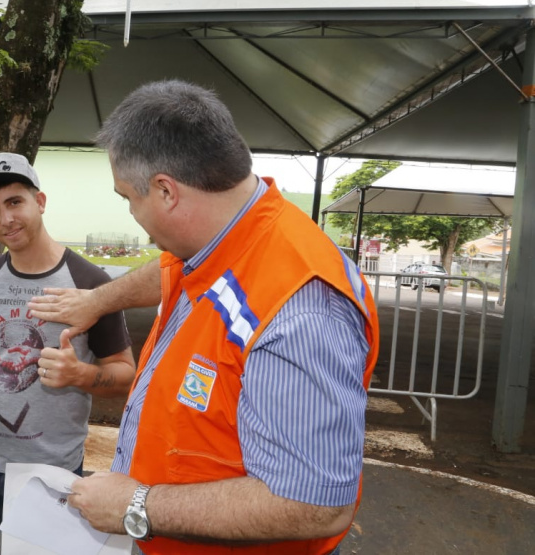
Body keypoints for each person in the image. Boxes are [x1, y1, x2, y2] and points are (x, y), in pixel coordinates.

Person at [28, 80, 381, 555]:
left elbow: (313, 505)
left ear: (166, 191)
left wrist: (138, 505)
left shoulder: (302, 312)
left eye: (128, 197)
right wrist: (99, 300)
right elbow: (169, 266)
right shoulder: (231, 234)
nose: (132, 212)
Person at [0, 152, 136, 555]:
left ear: (41, 201)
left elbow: (126, 375)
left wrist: (79, 375)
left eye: (16, 202)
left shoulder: (90, 283)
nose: (6, 219)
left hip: (48, 472)